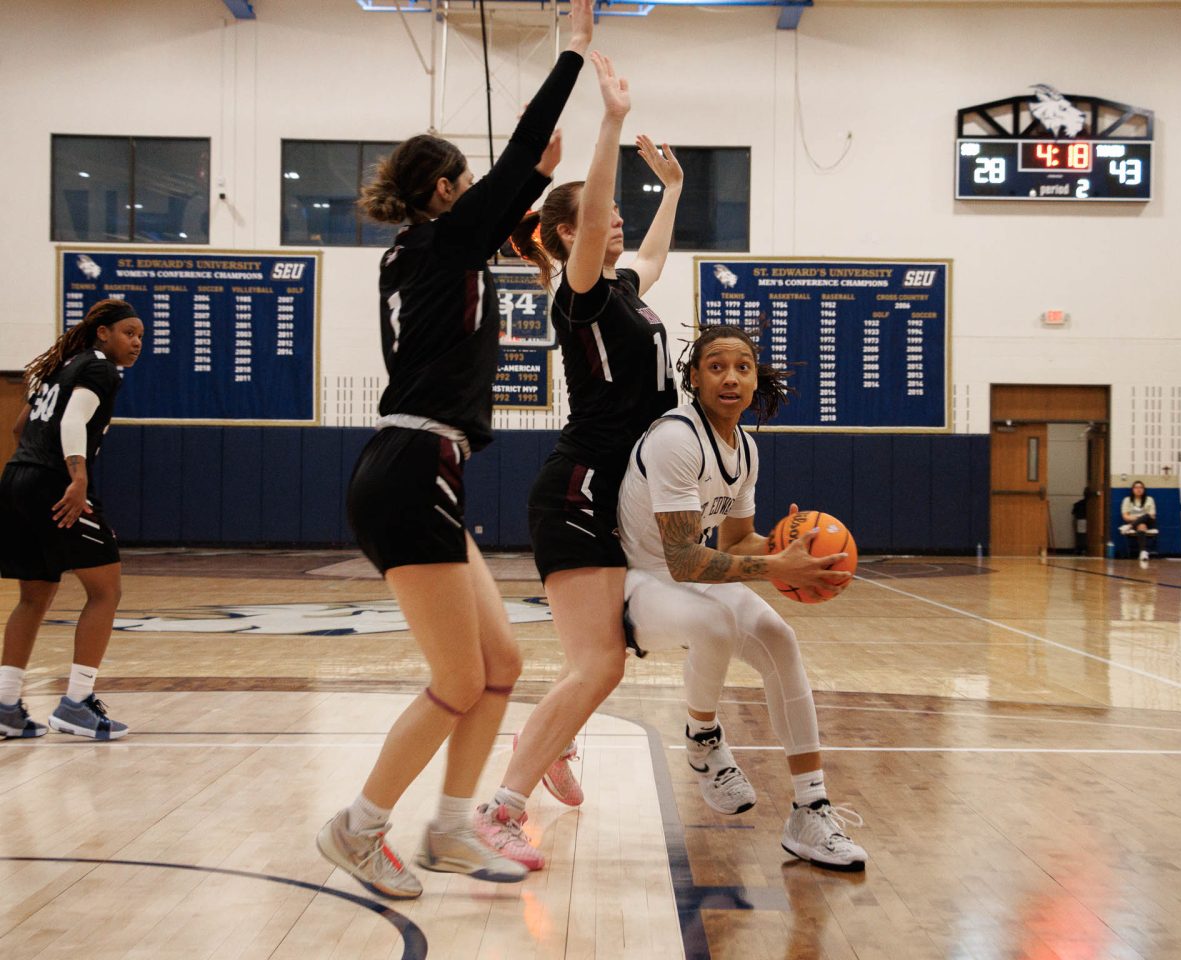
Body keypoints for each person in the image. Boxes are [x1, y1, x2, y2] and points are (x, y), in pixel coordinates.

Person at [313, 0, 592, 900]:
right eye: (465, 181)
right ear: (444, 193)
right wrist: (573, 57)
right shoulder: (444, 243)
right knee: (459, 676)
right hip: (410, 466)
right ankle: (358, 828)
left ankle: (449, 828)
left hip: (416, 466)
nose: (478, 191)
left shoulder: (421, 252)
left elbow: (508, 190)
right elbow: (520, 160)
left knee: (501, 667)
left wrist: (518, 193)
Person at [472, 55, 683, 870]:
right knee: (599, 663)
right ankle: (501, 806)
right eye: (602, 217)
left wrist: (670, 193)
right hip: (578, 488)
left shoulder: (627, 291)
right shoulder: (579, 289)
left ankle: (546, 739)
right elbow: (597, 221)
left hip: (610, 490)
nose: (616, 222)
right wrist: (611, 122)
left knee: (600, 663)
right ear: (568, 235)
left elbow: (654, 258)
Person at [618, 325, 869, 871]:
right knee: (712, 624)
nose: (730, 377)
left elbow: (733, 543)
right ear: (694, 378)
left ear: (756, 380)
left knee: (780, 638)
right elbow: (684, 557)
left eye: (742, 367)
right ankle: (702, 738)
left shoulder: (745, 449)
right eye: (715, 366)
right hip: (633, 584)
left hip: (689, 581)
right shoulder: (676, 439)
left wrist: (791, 545)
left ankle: (810, 808)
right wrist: (777, 565)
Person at [0, 298, 143, 741]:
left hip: (16, 478)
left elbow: (19, 429)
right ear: (103, 333)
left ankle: (5, 706)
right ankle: (76, 703)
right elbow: (73, 422)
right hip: (54, 482)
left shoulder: (60, 368)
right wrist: (77, 478)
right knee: (106, 590)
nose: (137, 342)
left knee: (35, 596)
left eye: (141, 336)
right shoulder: (99, 367)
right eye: (129, 333)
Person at [1120, 480, 1157, 562]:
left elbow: (1152, 516)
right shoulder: (1127, 500)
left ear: (1144, 489)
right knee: (1141, 526)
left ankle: (1128, 527)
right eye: (1136, 487)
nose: (1139, 489)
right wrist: (1139, 519)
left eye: (1141, 487)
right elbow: (1125, 516)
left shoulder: (1149, 499)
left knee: (1146, 516)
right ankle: (1143, 552)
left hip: (1149, 522)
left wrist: (1137, 517)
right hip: (1135, 523)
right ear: (1132, 490)